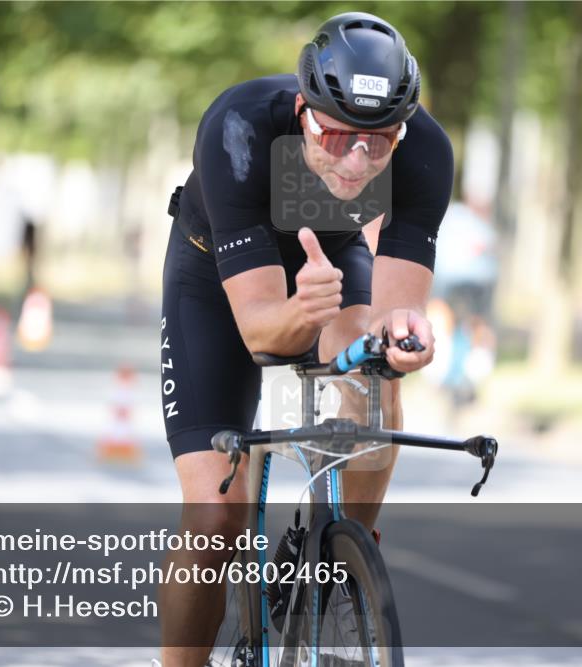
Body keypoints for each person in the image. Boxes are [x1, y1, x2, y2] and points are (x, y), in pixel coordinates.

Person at [158, 12, 453, 665]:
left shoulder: (425, 151)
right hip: (215, 279)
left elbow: (395, 315)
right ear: (304, 112)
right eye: (339, 135)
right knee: (214, 519)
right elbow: (261, 331)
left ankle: (343, 560)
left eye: (379, 142)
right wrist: (299, 308)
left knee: (375, 374)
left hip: (332, 261)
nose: (357, 159)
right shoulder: (239, 127)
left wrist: (405, 339)